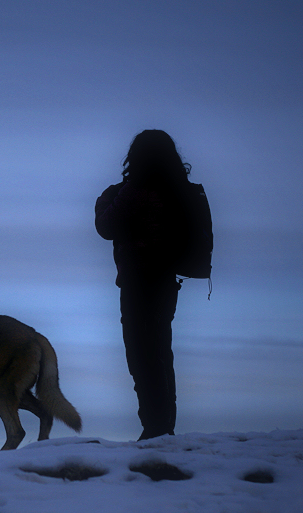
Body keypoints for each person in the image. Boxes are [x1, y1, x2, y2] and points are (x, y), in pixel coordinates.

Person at [95, 129, 193, 440]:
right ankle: (164, 426)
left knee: (140, 354)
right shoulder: (178, 191)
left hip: (139, 282)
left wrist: (104, 199)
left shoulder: (136, 190)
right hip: (166, 281)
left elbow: (106, 226)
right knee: (161, 349)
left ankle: (154, 428)